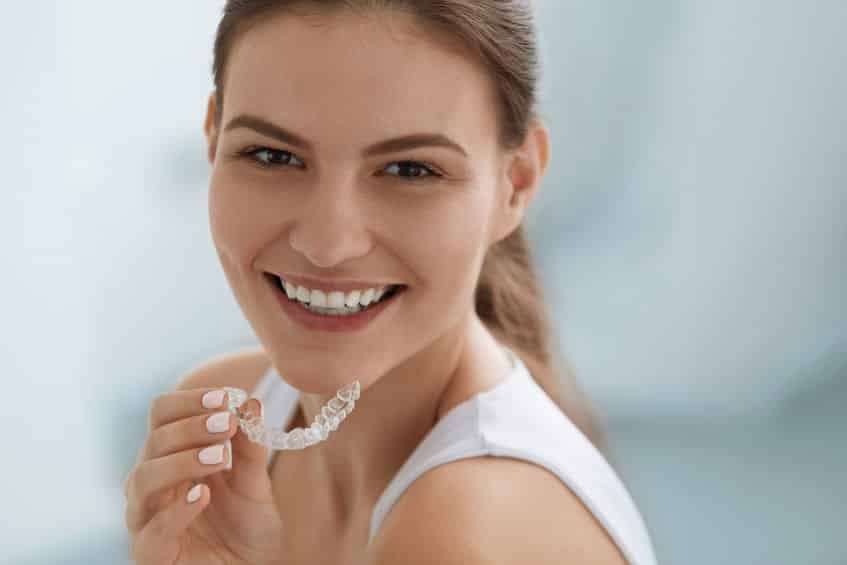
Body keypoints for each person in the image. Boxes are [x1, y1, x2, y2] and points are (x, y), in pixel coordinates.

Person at [123, 1, 659, 563]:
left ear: (515, 184)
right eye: (272, 155)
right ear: (213, 141)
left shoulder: (464, 529)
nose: (327, 243)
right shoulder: (227, 427)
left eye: (410, 170)